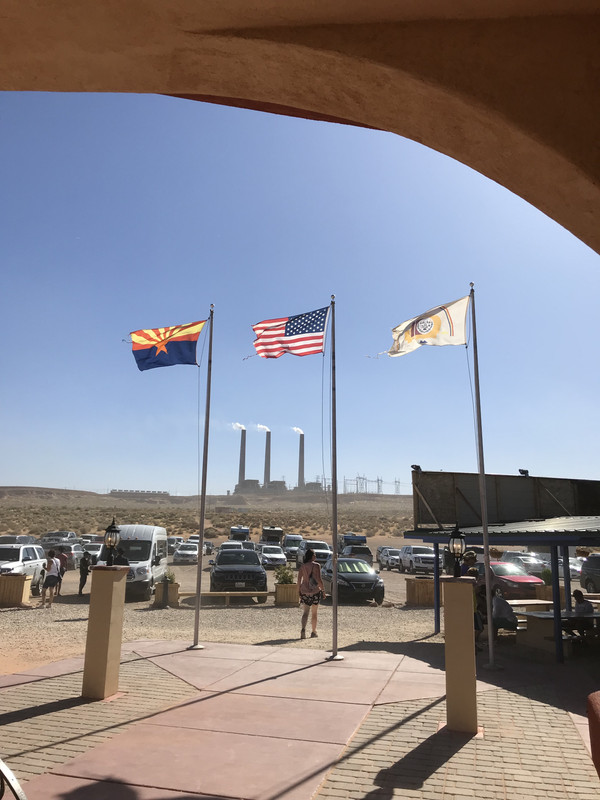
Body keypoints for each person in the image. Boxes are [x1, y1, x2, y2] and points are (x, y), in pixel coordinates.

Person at [297, 548, 324, 639]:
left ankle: (303, 629)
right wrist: (323, 590)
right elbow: (319, 580)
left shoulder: (302, 566)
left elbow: (299, 580)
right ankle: (313, 631)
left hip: (304, 591)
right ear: (312, 556)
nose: (315, 556)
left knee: (305, 612)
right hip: (315, 591)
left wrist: (299, 591)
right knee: (314, 613)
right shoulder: (317, 566)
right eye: (314, 555)